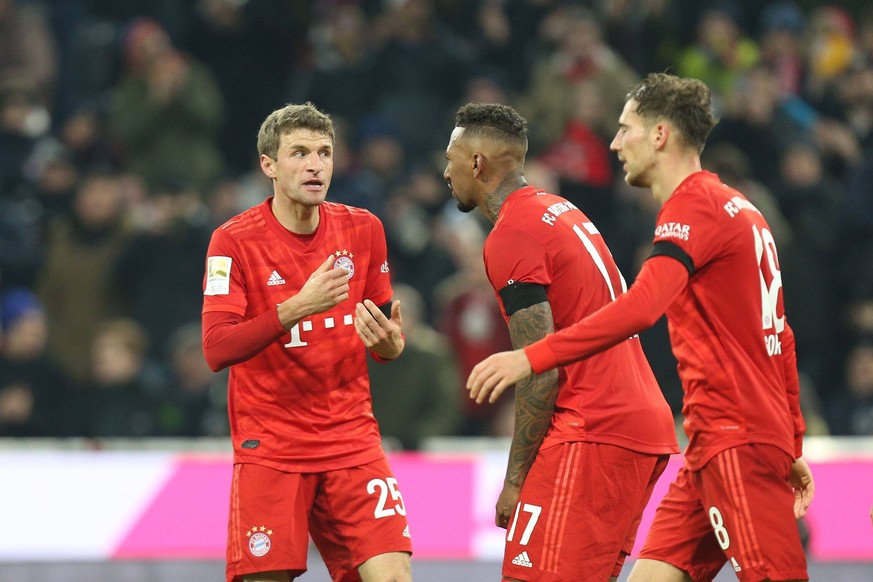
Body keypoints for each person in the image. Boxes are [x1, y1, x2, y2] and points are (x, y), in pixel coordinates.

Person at [467, 73, 815, 582]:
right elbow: (779, 335)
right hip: (710, 446)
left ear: (659, 135)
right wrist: (793, 443)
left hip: (734, 439)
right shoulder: (743, 209)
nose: (614, 143)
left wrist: (532, 356)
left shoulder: (691, 209)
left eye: (625, 128)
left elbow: (643, 305)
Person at [444, 101, 678, 581]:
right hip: (636, 426)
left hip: (592, 428)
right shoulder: (559, 209)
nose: (445, 171)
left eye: (450, 159)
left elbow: (539, 366)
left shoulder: (511, 235)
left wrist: (514, 481)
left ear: (476, 163)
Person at [201, 102, 412, 582]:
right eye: (298, 153)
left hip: (352, 442)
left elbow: (382, 333)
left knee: (394, 577)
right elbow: (216, 348)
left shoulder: (364, 229)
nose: (315, 165)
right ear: (268, 165)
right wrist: (299, 305)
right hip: (272, 446)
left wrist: (390, 347)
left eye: (324, 152)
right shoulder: (231, 242)